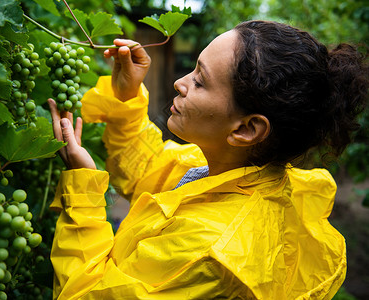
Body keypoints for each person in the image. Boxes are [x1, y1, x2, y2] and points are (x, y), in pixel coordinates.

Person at [48, 20, 368, 299]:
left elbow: (83, 296)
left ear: (247, 128)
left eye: (200, 81)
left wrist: (82, 194)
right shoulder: (228, 173)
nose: (180, 83)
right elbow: (150, 171)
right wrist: (127, 99)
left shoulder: (211, 252)